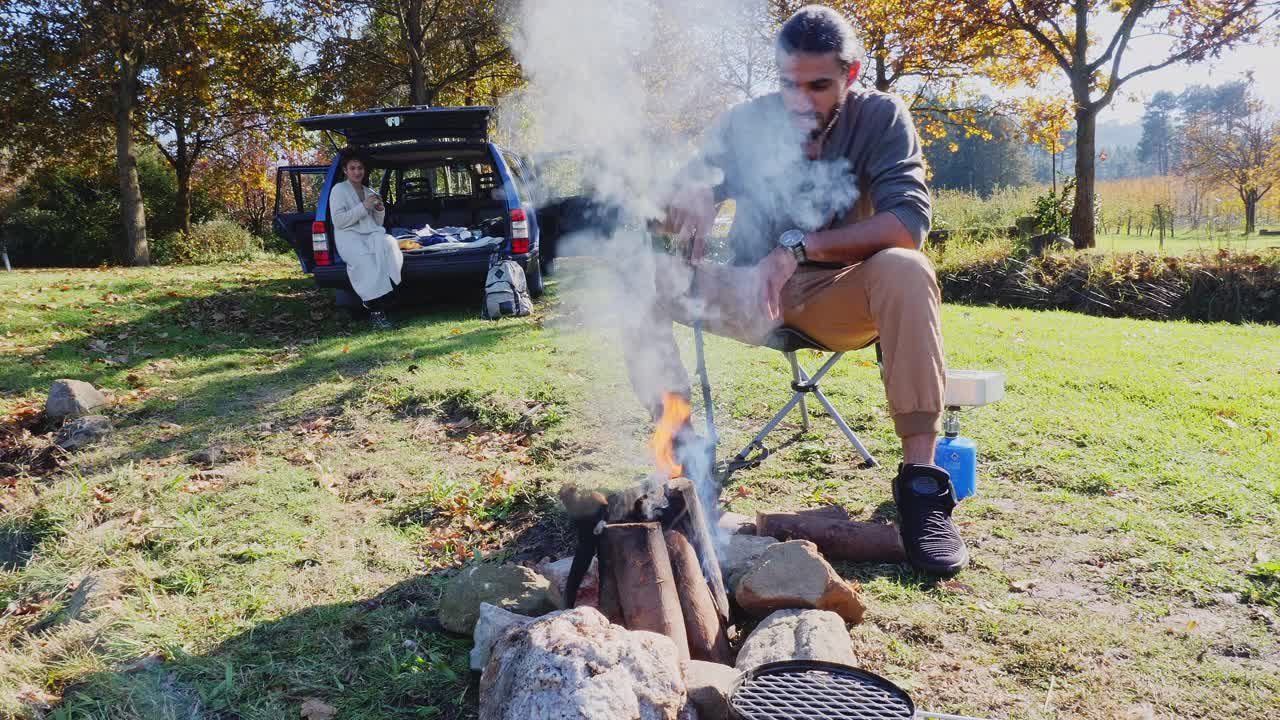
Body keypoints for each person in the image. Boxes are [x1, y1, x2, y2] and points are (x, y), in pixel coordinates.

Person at [627, 5, 966, 576]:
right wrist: (685, 195)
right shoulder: (744, 123)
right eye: (789, 84)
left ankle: (921, 491)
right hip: (745, 291)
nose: (801, 101)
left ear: (851, 75)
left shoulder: (880, 118)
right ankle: (685, 461)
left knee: (907, 269)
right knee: (634, 277)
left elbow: (907, 224)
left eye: (819, 85)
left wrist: (798, 248)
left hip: (836, 293)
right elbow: (662, 211)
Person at [329, 147, 403, 330]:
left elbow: (377, 222)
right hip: (349, 238)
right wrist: (363, 206)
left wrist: (379, 209)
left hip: (371, 235)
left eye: (360, 168)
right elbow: (339, 221)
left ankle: (389, 294)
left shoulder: (369, 190)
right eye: (352, 168)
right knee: (367, 263)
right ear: (345, 170)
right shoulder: (339, 190)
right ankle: (376, 313)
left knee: (389, 244)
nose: (357, 172)